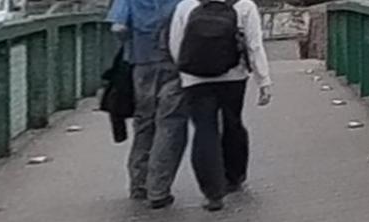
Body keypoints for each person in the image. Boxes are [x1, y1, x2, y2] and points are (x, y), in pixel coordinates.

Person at [169, 0, 272, 211]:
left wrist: (186, 70)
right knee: (233, 122)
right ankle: (234, 177)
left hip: (195, 79)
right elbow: (254, 45)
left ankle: (213, 193)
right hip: (233, 76)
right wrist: (263, 80)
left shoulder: (186, 5)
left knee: (205, 130)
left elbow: (175, 43)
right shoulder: (244, 5)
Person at [107, 0, 188, 209]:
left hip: (141, 63)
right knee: (170, 124)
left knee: (144, 122)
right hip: (173, 63)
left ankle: (139, 183)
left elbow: (118, 27)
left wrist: (130, 44)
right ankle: (158, 189)